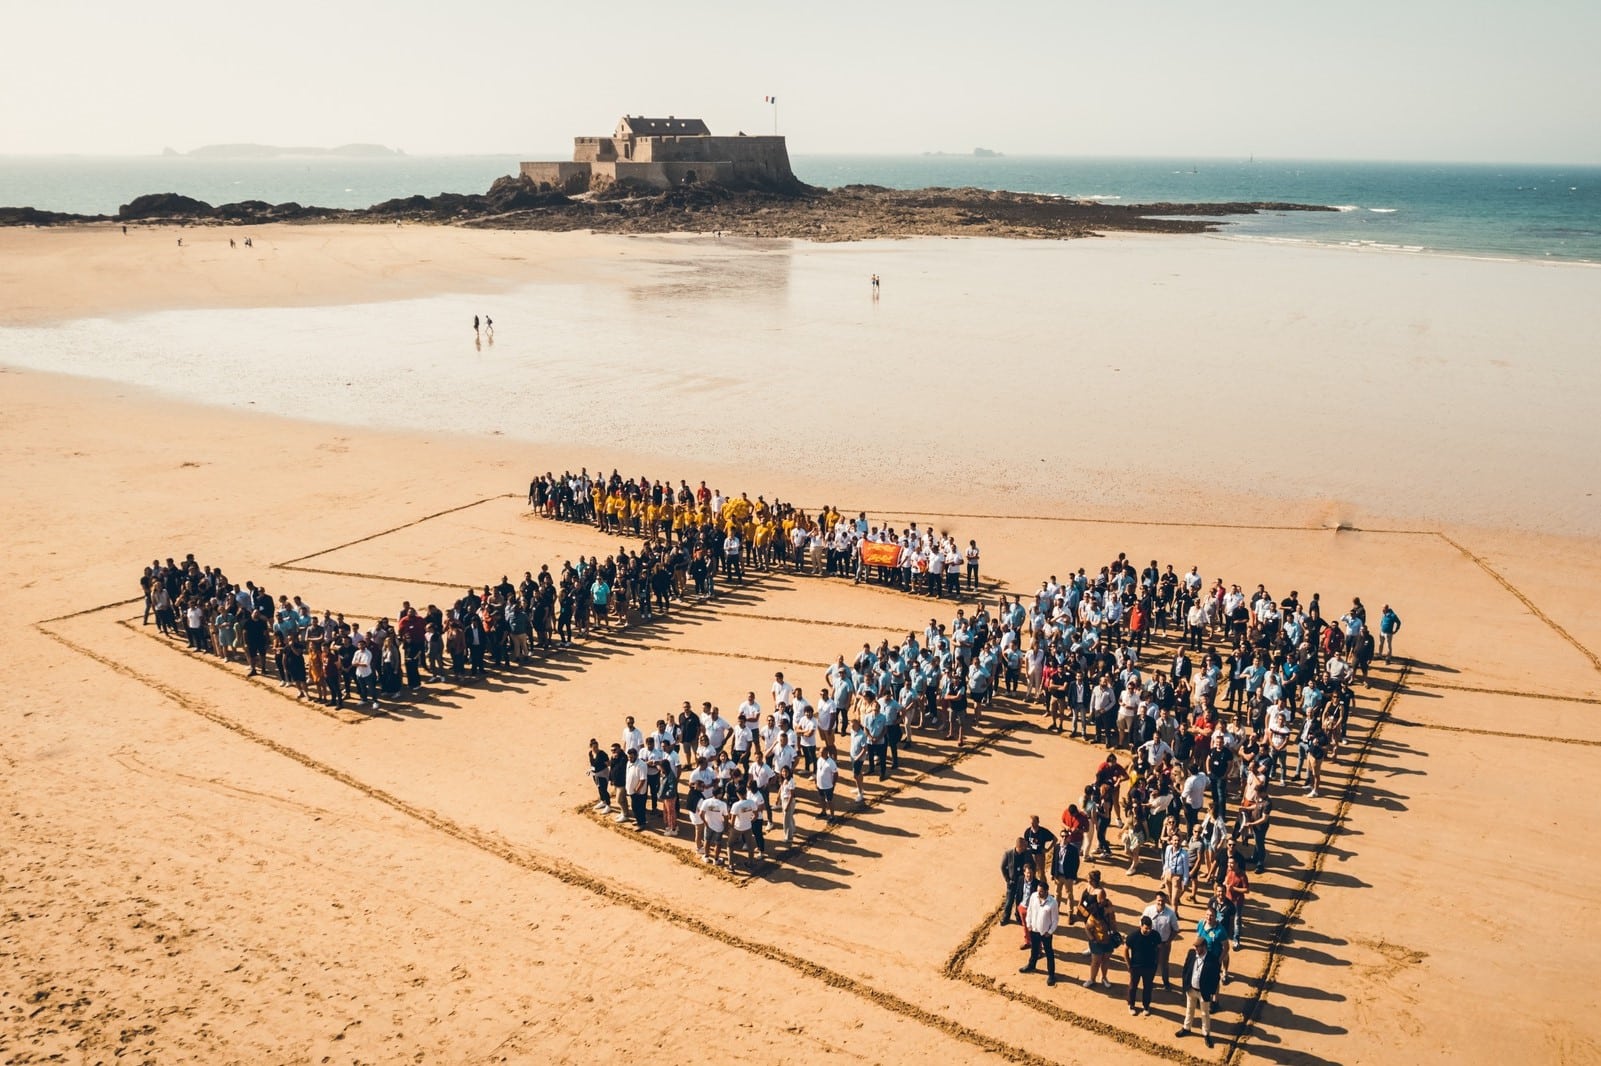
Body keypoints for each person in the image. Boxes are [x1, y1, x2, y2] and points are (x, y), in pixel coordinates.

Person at [1177, 936, 1222, 1048]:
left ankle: (1206, 1034)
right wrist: (1185, 984)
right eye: (1195, 946)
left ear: (1204, 947)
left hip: (1203, 992)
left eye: (1198, 947)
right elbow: (1185, 969)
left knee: (1204, 1013)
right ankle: (1186, 1028)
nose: (1196, 949)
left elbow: (1215, 978)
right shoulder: (1191, 954)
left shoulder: (1212, 959)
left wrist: (1211, 992)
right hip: (1191, 989)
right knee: (1189, 1009)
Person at [1017, 880, 1060, 986]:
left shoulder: (1053, 903)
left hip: (1045, 933)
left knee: (1049, 953)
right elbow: (1030, 911)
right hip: (1034, 930)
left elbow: (1055, 920)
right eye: (1038, 891)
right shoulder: (1033, 896)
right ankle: (1031, 965)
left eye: (1041, 891)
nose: (1039, 893)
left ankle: (1051, 974)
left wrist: (1050, 932)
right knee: (1034, 949)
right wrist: (1029, 924)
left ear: (1046, 891)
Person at [1142, 891, 1181, 989]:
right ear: (1156, 900)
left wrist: (1168, 941)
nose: (1160, 903)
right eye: (1159, 900)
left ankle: (1166, 983)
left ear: (1166, 901)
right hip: (1150, 943)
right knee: (1150, 962)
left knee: (1164, 964)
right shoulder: (1148, 910)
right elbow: (1142, 924)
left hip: (1164, 944)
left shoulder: (1171, 914)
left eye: (1163, 901)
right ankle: (1149, 981)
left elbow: (1176, 929)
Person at [1124, 915, 1162, 1015]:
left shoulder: (1155, 935)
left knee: (1148, 987)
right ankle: (1131, 1004)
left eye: (1150, 928)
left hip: (1150, 967)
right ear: (1141, 926)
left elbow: (1159, 949)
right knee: (1133, 986)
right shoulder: (1133, 936)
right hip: (1135, 967)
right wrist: (1129, 965)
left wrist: (1156, 962)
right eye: (1146, 928)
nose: (1148, 930)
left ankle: (1146, 1006)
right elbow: (1125, 950)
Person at [1001, 837, 1030, 926]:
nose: (1026, 847)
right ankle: (1005, 918)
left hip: (1022, 882)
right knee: (1009, 901)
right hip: (1012, 882)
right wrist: (1007, 880)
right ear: (1019, 846)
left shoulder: (1027, 853)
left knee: (1020, 901)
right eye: (1024, 846)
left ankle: (1018, 917)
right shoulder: (1008, 854)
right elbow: (1002, 867)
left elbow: (1032, 865)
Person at [624, 748, 649, 831]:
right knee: (634, 807)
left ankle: (642, 823)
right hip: (631, 790)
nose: (629, 759)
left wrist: (637, 789)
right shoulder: (628, 762)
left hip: (639, 792)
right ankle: (638, 820)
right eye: (628, 757)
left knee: (639, 808)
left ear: (636, 756)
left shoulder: (642, 765)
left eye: (631, 757)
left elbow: (643, 779)